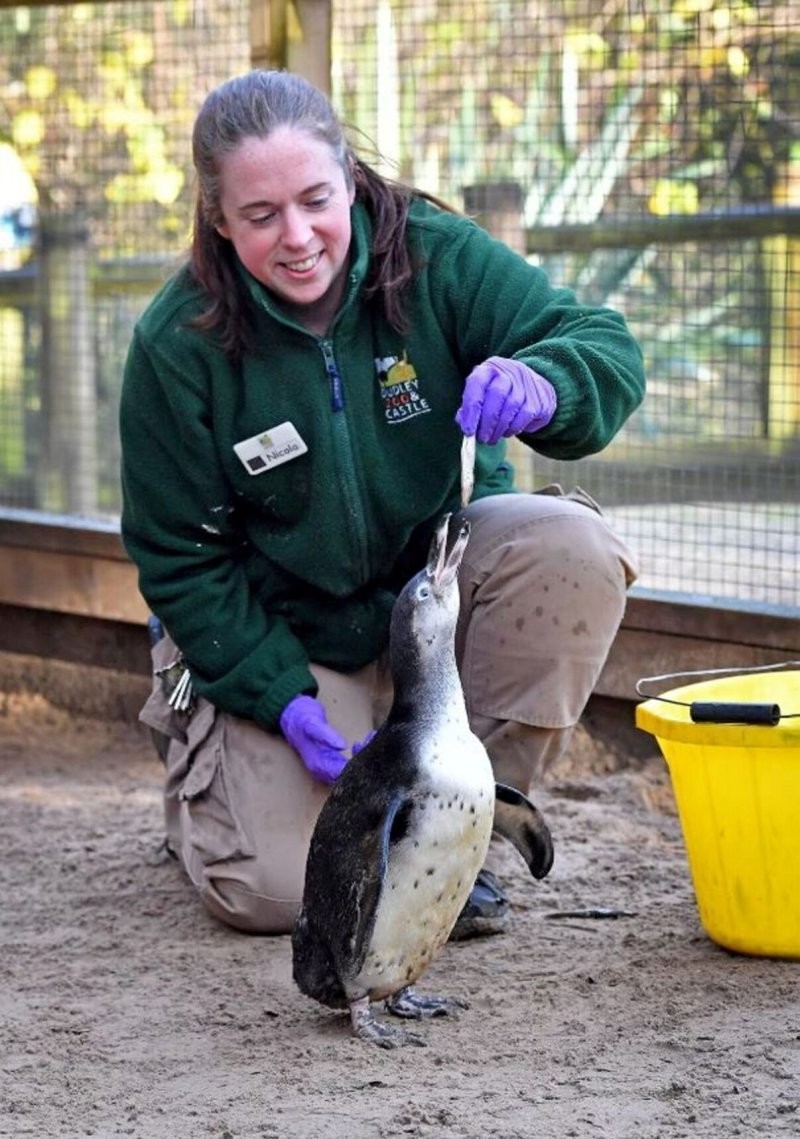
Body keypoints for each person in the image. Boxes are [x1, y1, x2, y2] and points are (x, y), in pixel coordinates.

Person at [119, 69, 643, 939]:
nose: (298, 237)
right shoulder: (178, 345)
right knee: (278, 896)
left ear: (351, 179)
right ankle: (208, 781)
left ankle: (455, 826)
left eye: (317, 199)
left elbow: (604, 346)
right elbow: (181, 558)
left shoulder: (435, 257)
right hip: (289, 637)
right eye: (260, 216)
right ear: (217, 217)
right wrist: (282, 696)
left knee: (573, 550)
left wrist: (545, 384)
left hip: (430, 604)